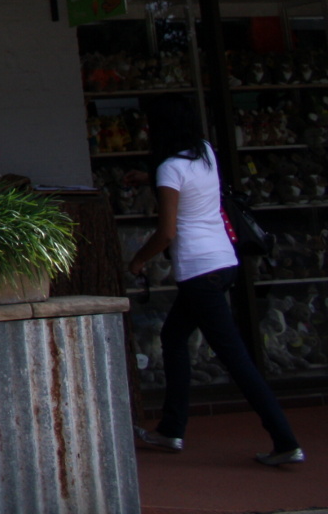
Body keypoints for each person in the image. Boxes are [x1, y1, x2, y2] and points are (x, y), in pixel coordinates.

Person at [129, 98, 304, 466]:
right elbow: (189, 187)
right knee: (174, 336)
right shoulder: (205, 153)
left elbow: (166, 232)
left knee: (235, 358)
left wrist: (139, 260)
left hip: (198, 272)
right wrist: (149, 177)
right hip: (224, 262)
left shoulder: (170, 168)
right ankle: (170, 430)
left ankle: (285, 440)